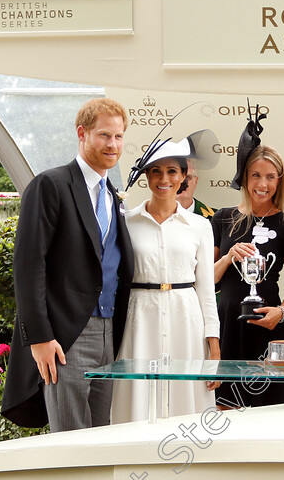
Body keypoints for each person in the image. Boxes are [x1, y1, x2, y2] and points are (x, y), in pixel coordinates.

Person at [2, 98, 134, 431]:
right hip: (67, 337)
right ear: (82, 133)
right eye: (104, 135)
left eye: (118, 137)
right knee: (71, 440)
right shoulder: (51, 185)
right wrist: (40, 338)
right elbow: (29, 267)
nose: (112, 145)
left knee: (101, 434)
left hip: (109, 333)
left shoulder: (111, 195)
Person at [111, 134, 220, 422]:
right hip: (139, 319)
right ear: (146, 175)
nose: (164, 178)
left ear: (184, 176)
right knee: (137, 394)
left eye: (172, 171)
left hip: (186, 318)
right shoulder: (126, 222)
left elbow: (206, 290)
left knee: (187, 396)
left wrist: (215, 348)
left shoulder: (200, 226)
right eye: (156, 171)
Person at [212, 144, 284, 407]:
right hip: (227, 330)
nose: (262, 184)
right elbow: (208, 281)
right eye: (256, 175)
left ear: (279, 181)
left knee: (277, 410)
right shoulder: (222, 219)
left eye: (270, 177)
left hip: (270, 330)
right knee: (225, 408)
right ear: (244, 177)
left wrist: (280, 312)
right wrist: (228, 257)